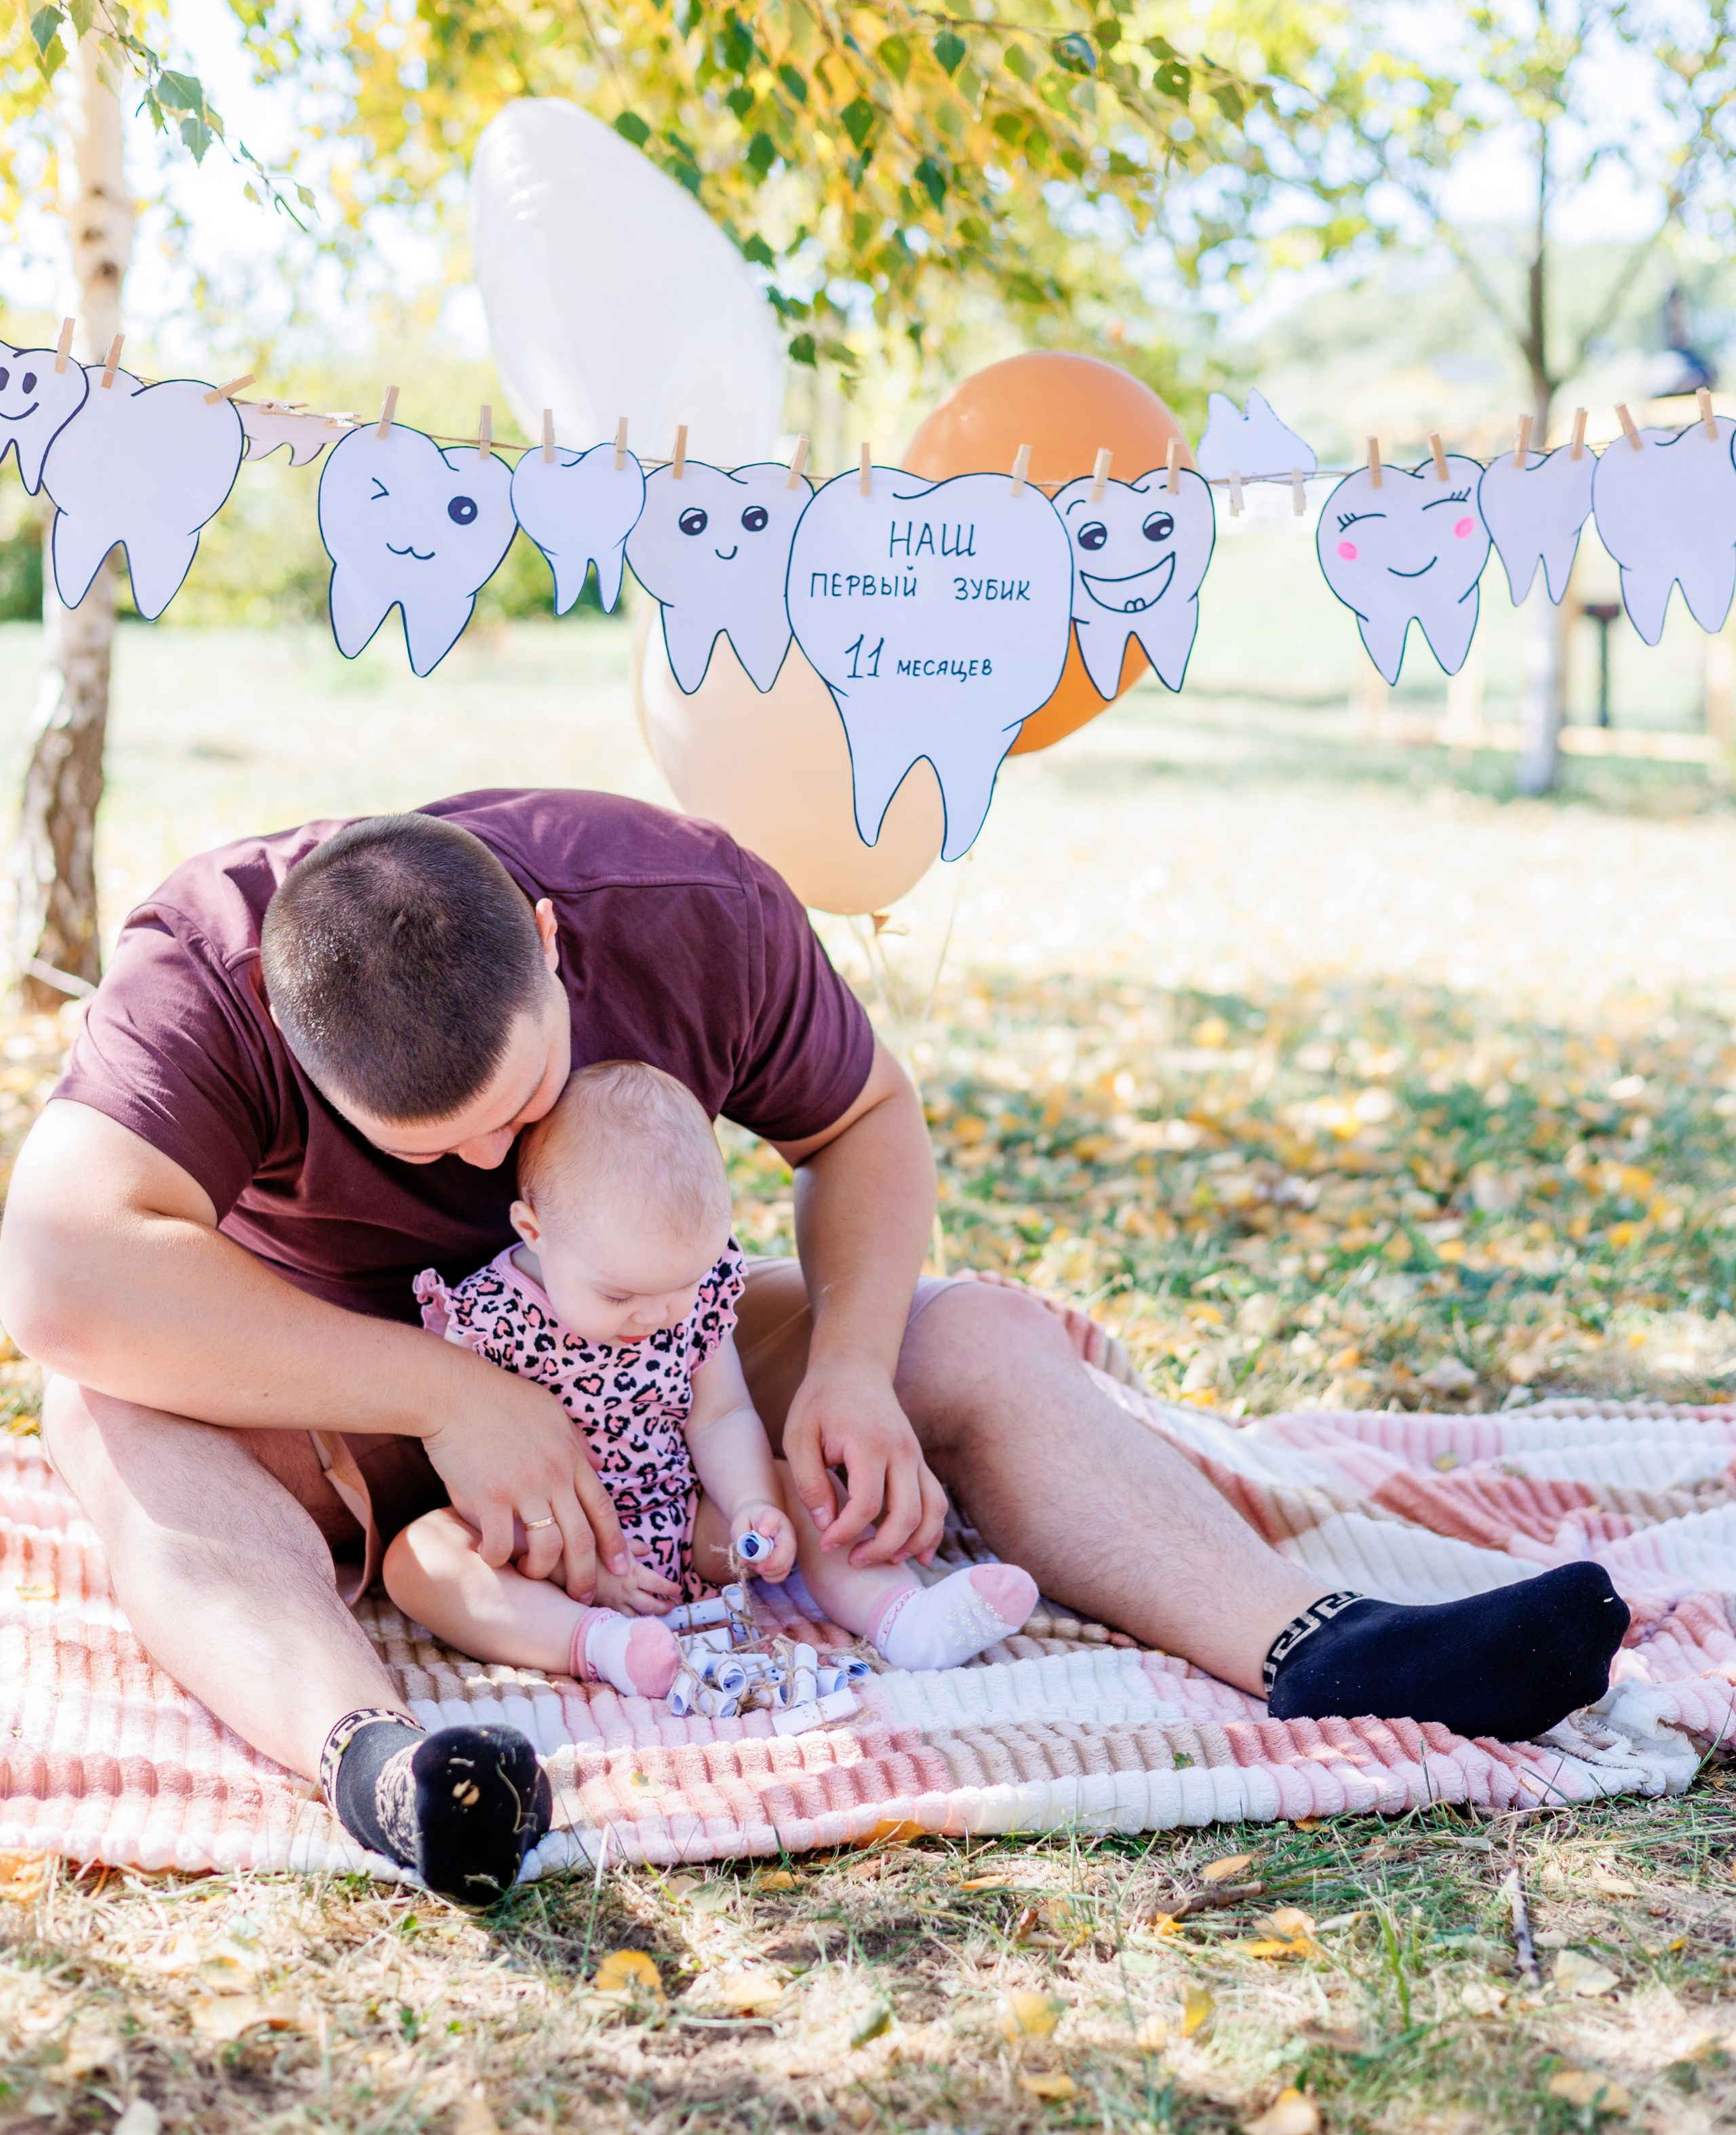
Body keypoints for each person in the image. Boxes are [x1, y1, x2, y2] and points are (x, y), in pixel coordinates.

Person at [0, 792, 1630, 1904]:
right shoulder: (199, 966)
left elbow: (862, 1119)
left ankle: (1321, 1643)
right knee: (111, 1408)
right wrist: (446, 1391)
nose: (482, 1174)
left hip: (648, 1352)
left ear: (556, 948)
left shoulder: (686, 906)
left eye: (514, 1111)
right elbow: (58, 1274)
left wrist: (845, 1364)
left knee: (973, 1330)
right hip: (340, 1382)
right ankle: (389, 1765)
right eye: (422, 1145)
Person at [390, 1057, 1038, 1702]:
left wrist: (753, 1503)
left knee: (798, 1487)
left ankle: (900, 1615)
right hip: (549, 1544)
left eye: (682, 1287)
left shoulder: (692, 1297)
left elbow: (721, 1415)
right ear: (535, 1232)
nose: (655, 1316)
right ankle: (599, 1643)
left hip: (686, 1517)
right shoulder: (489, 1319)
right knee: (422, 1559)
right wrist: (581, 1567)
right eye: (619, 1296)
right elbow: (481, 1471)